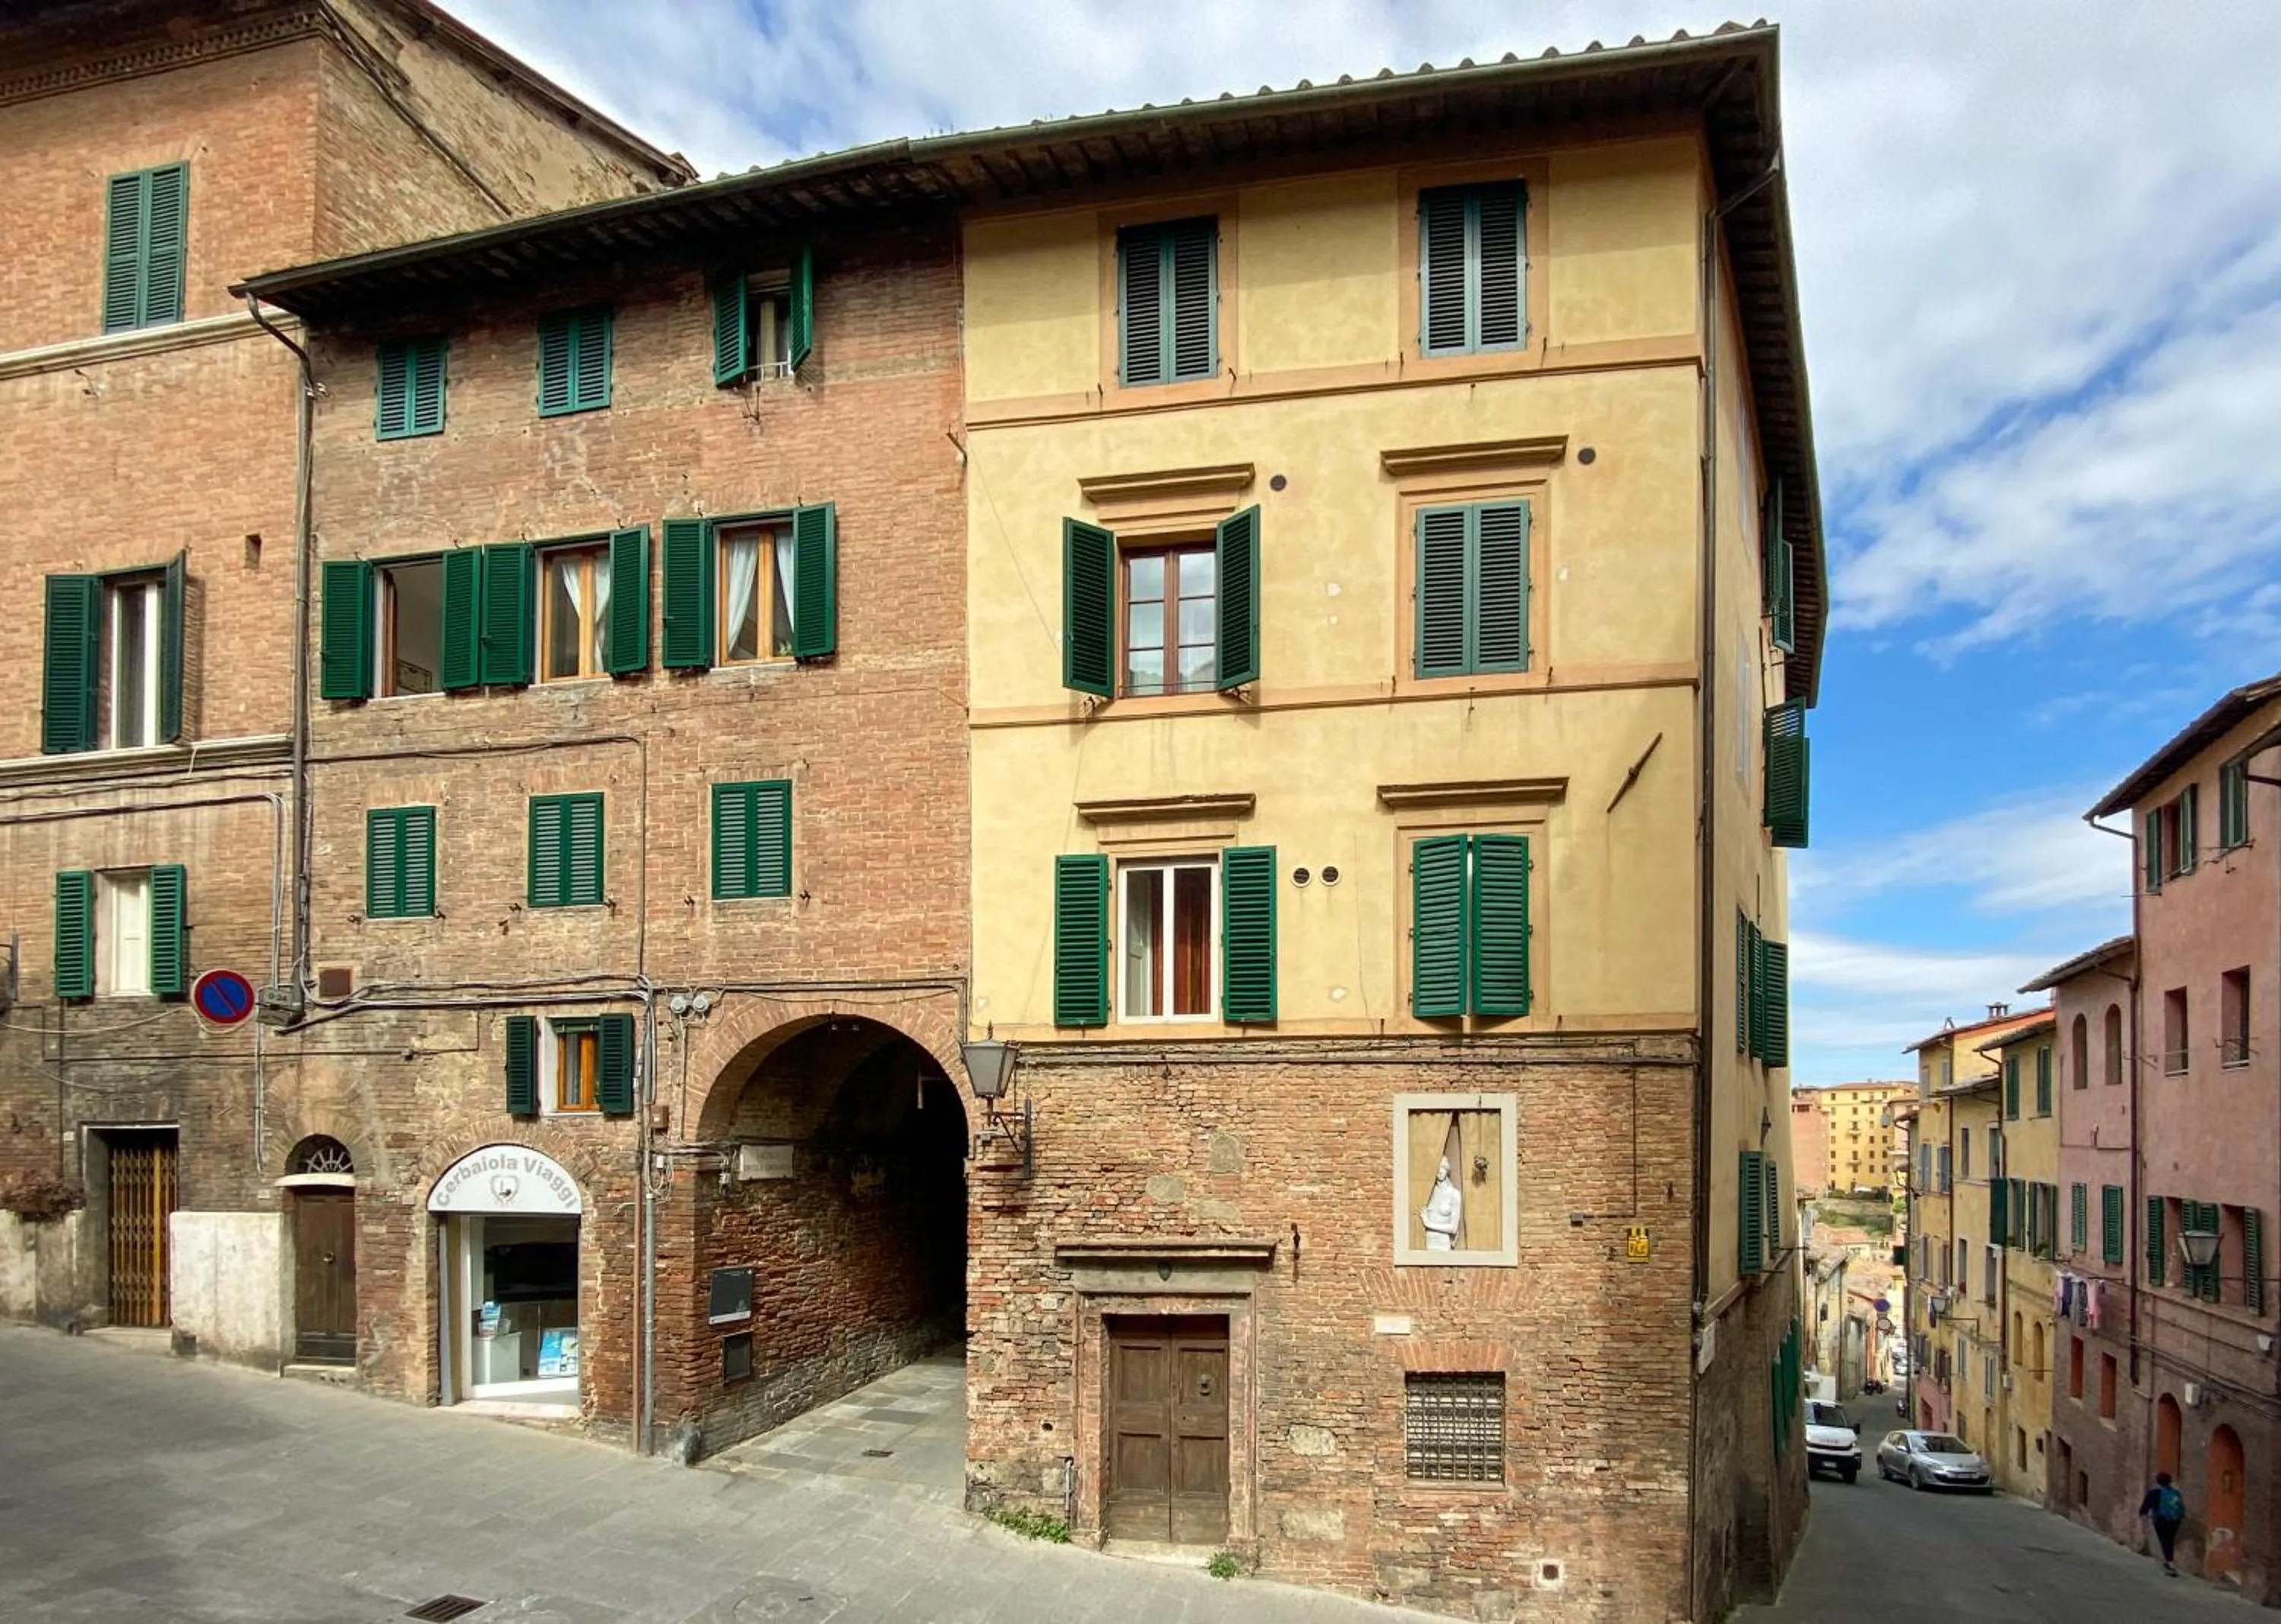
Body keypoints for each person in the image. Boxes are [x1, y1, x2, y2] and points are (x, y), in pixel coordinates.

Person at [2139, 1472, 2187, 1575]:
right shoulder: (2175, 1492)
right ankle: (2168, 1561)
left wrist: (2143, 1514)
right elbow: (2181, 1507)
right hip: (2175, 1520)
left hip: (2161, 1519)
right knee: (2170, 1540)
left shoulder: (2155, 1492)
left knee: (2165, 1541)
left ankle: (2170, 1564)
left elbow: (2146, 1506)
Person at [1420, 1157, 1463, 1251]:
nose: (1440, 1171)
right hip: (1428, 1241)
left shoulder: (1454, 1194)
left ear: (1447, 1170)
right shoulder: (1427, 1193)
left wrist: (1428, 1224)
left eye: (1442, 1168)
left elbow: (1453, 1228)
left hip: (1443, 1243)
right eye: (1437, 1168)